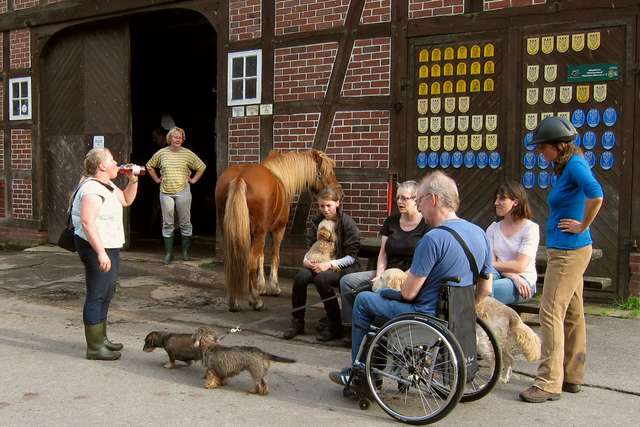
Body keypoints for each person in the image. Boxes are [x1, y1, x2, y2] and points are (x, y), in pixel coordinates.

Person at [329, 171, 493, 384]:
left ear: (433, 199)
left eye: (419, 200)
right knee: (377, 303)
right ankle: (377, 364)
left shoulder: (433, 238)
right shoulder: (480, 233)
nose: (419, 206)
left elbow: (408, 293)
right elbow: (485, 289)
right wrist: (463, 308)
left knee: (363, 301)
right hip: (454, 316)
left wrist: (386, 291)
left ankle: (361, 374)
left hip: (424, 316)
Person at [520, 116, 603, 403]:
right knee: (571, 313)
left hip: (568, 251)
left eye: (543, 148)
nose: (541, 153)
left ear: (559, 145)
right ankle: (571, 375)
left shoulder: (577, 165)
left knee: (550, 312)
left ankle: (547, 383)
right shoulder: (570, 165)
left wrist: (583, 225)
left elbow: (597, 195)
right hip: (571, 248)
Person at [71, 148, 139, 360]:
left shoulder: (107, 185)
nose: (116, 163)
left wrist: (133, 181)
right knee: (97, 293)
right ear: (101, 165)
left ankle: (102, 339)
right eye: (111, 160)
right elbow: (87, 222)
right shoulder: (91, 189)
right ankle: (94, 347)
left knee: (107, 292)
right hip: (95, 247)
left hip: (109, 245)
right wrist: (100, 253)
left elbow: (127, 200)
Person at [339, 180, 428, 336]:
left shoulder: (426, 225)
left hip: (410, 275)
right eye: (398, 197)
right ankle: (351, 328)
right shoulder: (391, 221)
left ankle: (380, 331)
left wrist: (402, 277)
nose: (400, 202)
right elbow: (383, 253)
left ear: (416, 199)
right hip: (386, 271)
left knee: (384, 290)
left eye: (404, 198)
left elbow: (424, 260)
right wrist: (380, 274)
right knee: (347, 282)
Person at [282, 187, 360, 342]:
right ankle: (297, 321)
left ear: (337, 203)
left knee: (321, 279)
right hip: (319, 263)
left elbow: (351, 257)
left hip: (342, 267)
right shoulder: (317, 221)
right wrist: (305, 260)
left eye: (328, 205)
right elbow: (311, 246)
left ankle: (334, 324)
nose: (325, 209)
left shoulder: (347, 223)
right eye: (321, 206)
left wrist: (329, 265)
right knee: (300, 277)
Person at [146, 126, 206, 264]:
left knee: (185, 222)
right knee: (168, 223)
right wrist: (156, 179)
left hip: (183, 191)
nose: (178, 139)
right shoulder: (162, 153)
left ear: (182, 139)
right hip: (165, 192)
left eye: (180, 137)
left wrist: (194, 180)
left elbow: (201, 166)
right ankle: (169, 253)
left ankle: (185, 252)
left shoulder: (187, 154)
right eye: (175, 137)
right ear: (170, 138)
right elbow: (149, 165)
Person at [486, 181, 540, 305]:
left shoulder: (530, 228)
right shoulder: (492, 229)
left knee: (487, 289)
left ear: (515, 202)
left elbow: (519, 266)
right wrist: (512, 276)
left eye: (502, 199)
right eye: (496, 198)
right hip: (503, 274)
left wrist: (515, 276)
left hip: (524, 282)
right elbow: (490, 265)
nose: (496, 203)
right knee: (481, 282)